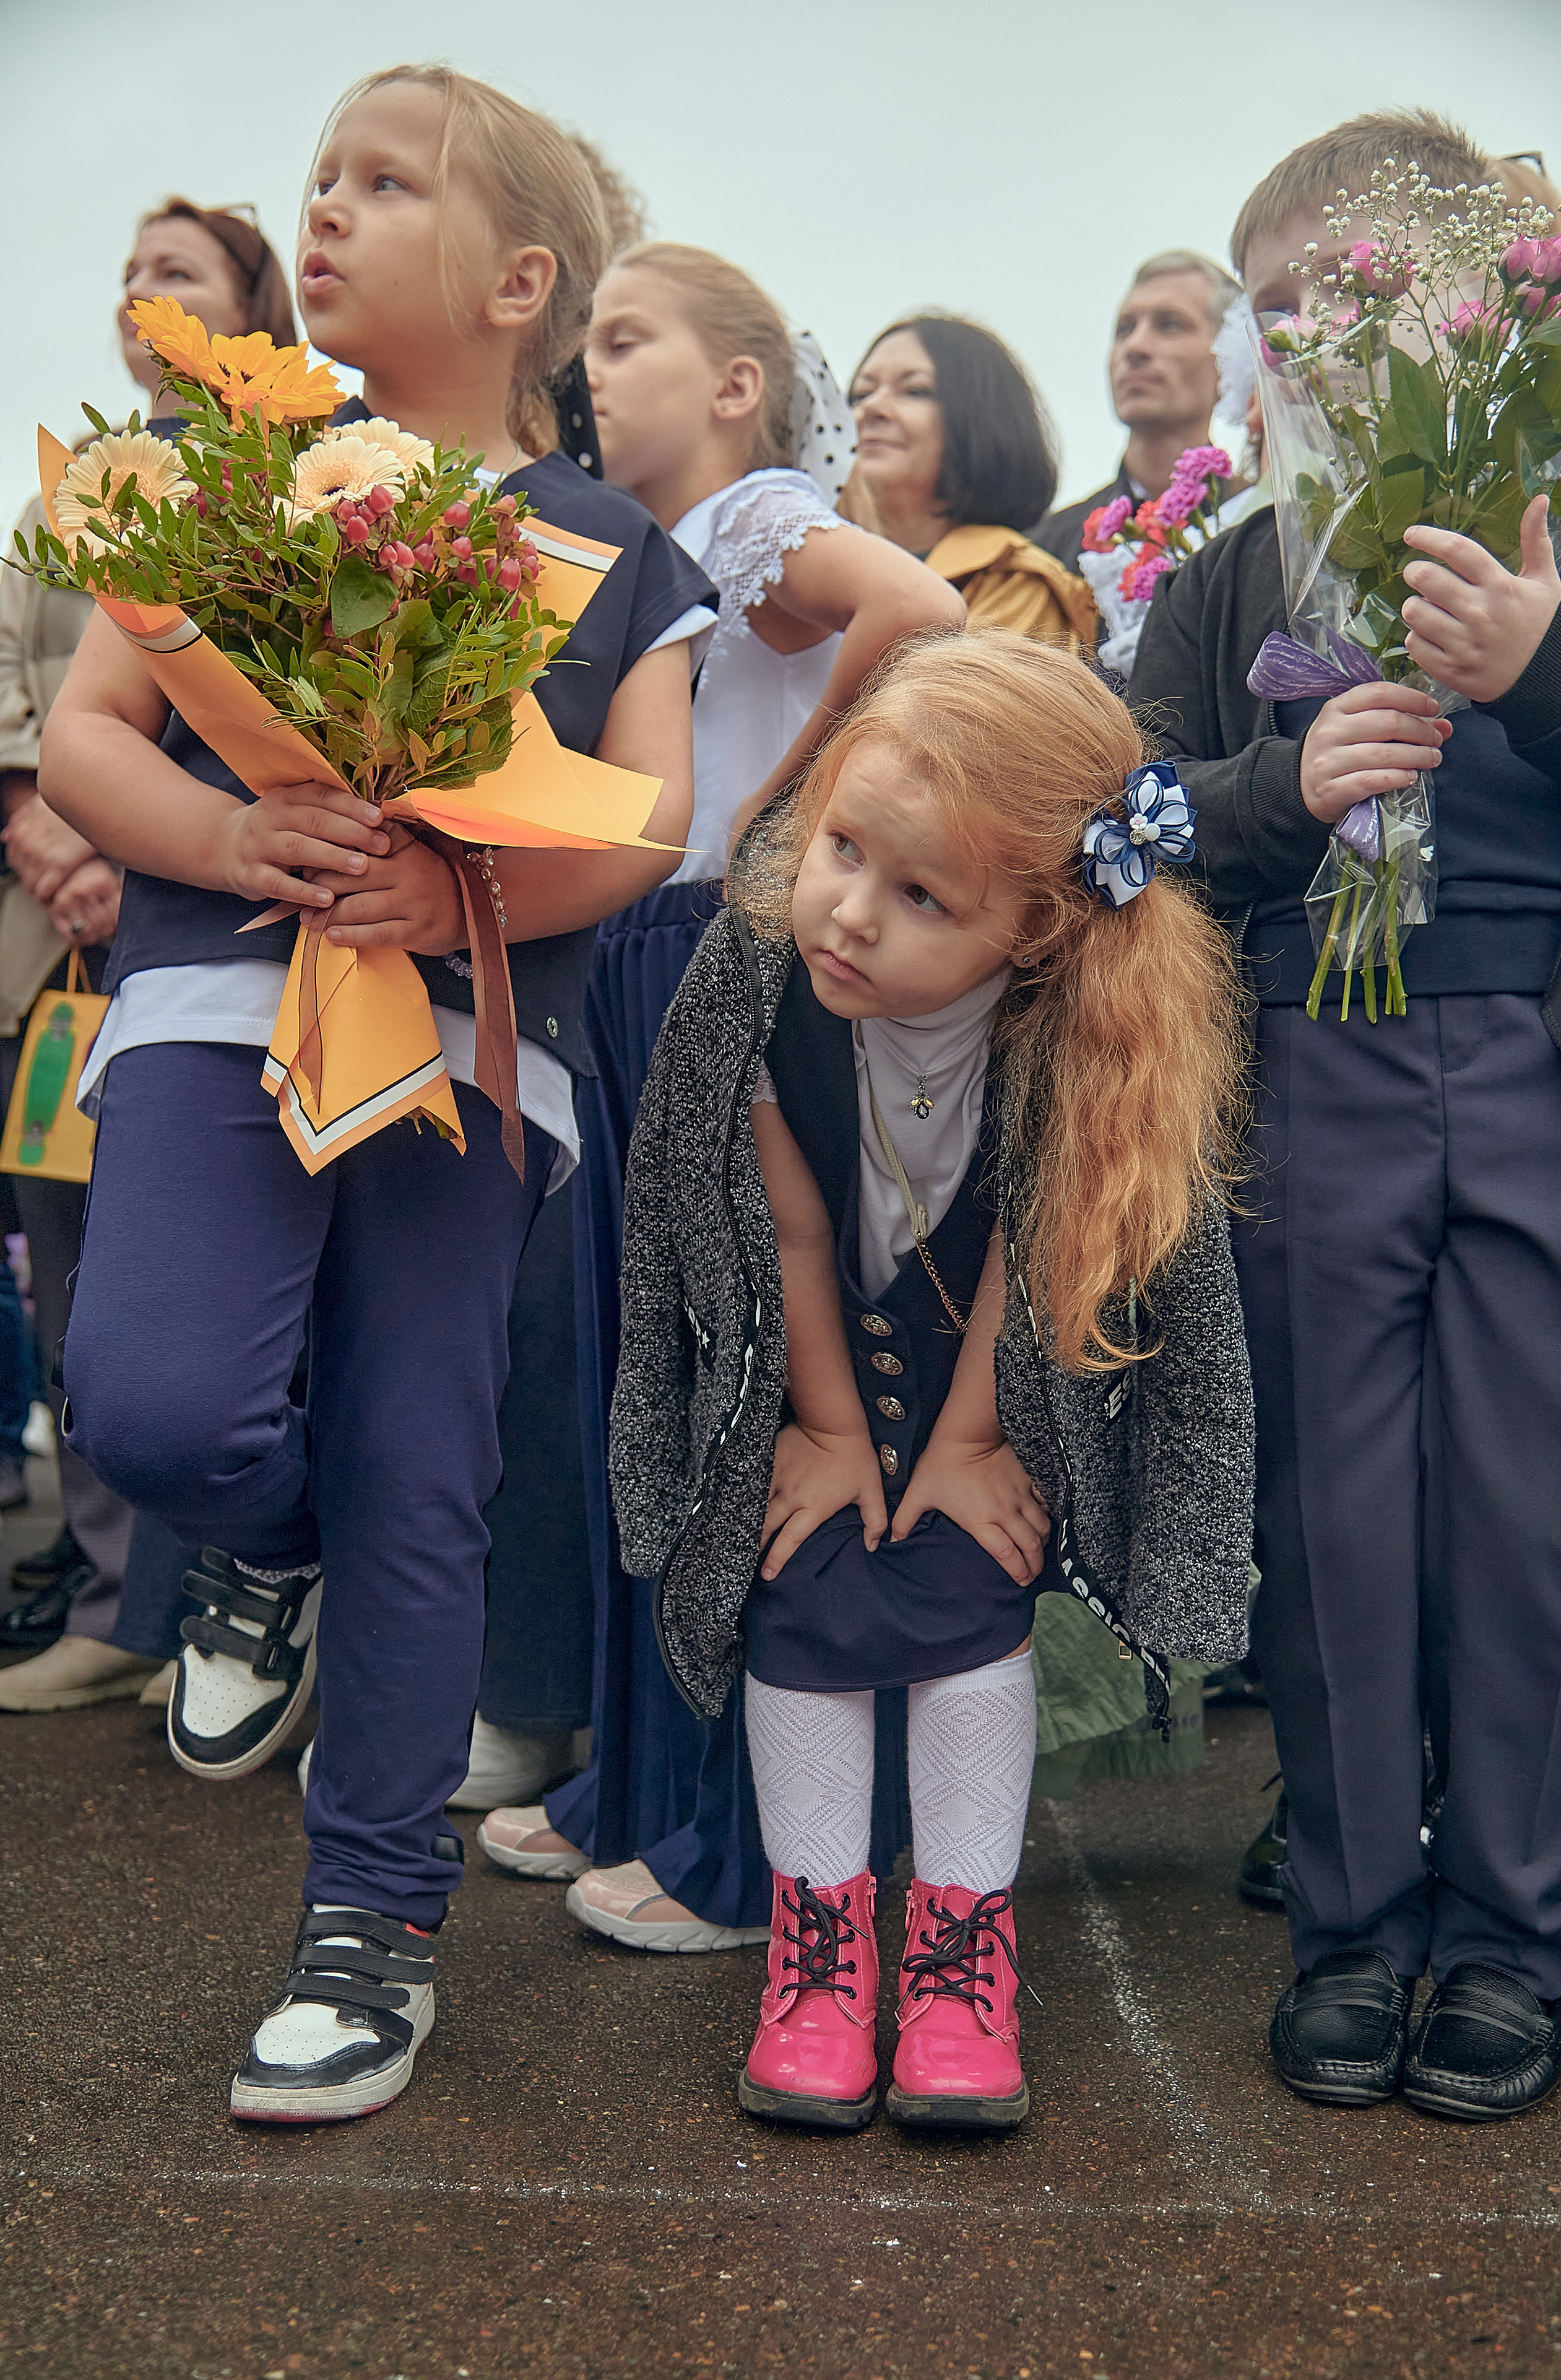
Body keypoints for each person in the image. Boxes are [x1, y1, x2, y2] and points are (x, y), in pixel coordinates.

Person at [38, 63, 713, 2126]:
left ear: (522, 284)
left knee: (424, 1464)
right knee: (154, 1399)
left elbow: (652, 818)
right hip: (216, 998)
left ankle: (372, 1922)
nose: (323, 211)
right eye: (321, 177)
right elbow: (90, 734)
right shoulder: (217, 477)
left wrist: (462, 886)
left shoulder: (620, 549)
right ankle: (263, 1539)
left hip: (469, 1044)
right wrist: (238, 836)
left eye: (387, 185)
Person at [608, 628, 1253, 2130]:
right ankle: (815, 1953)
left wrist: (967, 1443)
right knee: (801, 1577)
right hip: (811, 1344)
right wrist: (826, 1427)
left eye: (920, 898)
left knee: (968, 1594)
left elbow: (1051, 1235)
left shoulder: (1083, 1022)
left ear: (1034, 926)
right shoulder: (755, 974)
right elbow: (766, 1217)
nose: (848, 912)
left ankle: (962, 1955)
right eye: (842, 848)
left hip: (990, 1365)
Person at [1130, 108, 1561, 2122]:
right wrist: (1267, 796)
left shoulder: (1539, 533)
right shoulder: (1231, 570)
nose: (1301, 342)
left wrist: (1539, 672)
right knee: (1335, 1519)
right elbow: (1116, 822)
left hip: (1532, 1047)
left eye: (1343, 295)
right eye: (1271, 310)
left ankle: (1512, 1935)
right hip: (1314, 1063)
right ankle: (1352, 1925)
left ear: (1484, 304)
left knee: (1522, 1517)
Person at [479, 242, 964, 1949]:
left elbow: (924, 613)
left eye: (627, 339)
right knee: (652, 1376)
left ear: (740, 386)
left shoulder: (752, 514)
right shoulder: (646, 553)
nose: (591, 371)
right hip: (638, 950)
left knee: (728, 1370)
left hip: (715, 945)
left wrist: (787, 803)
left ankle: (759, 1842)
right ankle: (648, 1774)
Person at [0, 197, 298, 1714]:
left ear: (252, 305)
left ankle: (244, 1591)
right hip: (46, 934)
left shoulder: (287, 473)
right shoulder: (75, 488)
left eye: (176, 272)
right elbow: (3, 669)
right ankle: (118, 1605)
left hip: (209, 930)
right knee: (76, 1280)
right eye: (126, 274)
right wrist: (40, 827)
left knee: (208, 1288)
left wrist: (135, 842)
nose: (139, 294)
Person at [842, 316, 1096, 650]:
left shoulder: (1015, 584)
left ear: (981, 418)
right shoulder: (805, 569)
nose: (871, 408)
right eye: (861, 395)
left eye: (914, 391)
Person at [1035, 252, 1240, 575]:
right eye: (1125, 329)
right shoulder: (1045, 557)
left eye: (1170, 324)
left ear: (1230, 356)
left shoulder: (1270, 523)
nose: (1135, 347)